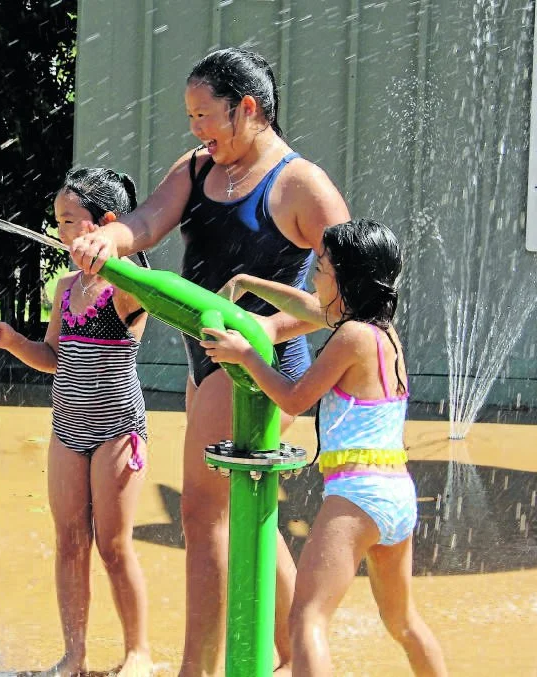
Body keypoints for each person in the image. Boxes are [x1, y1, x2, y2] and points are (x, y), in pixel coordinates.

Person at [69, 47, 350, 673]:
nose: (195, 130)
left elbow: (344, 295)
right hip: (211, 359)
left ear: (246, 109)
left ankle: (200, 669)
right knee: (251, 510)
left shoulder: (300, 184)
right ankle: (292, 652)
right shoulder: (199, 170)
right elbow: (143, 224)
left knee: (203, 514)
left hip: (257, 363)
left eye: (204, 115)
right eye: (190, 116)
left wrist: (258, 336)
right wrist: (103, 240)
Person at [201, 218, 448, 677]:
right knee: (402, 622)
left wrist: (246, 356)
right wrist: (249, 283)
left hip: (358, 494)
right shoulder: (380, 331)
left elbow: (294, 398)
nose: (315, 275)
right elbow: (309, 306)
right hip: (396, 494)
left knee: (306, 619)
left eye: (322, 268)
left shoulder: (351, 337)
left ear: (347, 279)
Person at [0, 168, 153, 677]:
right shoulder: (65, 287)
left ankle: (138, 653)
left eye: (70, 221)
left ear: (105, 224)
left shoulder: (126, 285)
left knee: (114, 545)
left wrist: (114, 255)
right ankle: (74, 656)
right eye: (58, 222)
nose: (60, 232)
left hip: (116, 430)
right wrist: (14, 341)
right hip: (67, 428)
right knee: (69, 541)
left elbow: (143, 281)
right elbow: (55, 356)